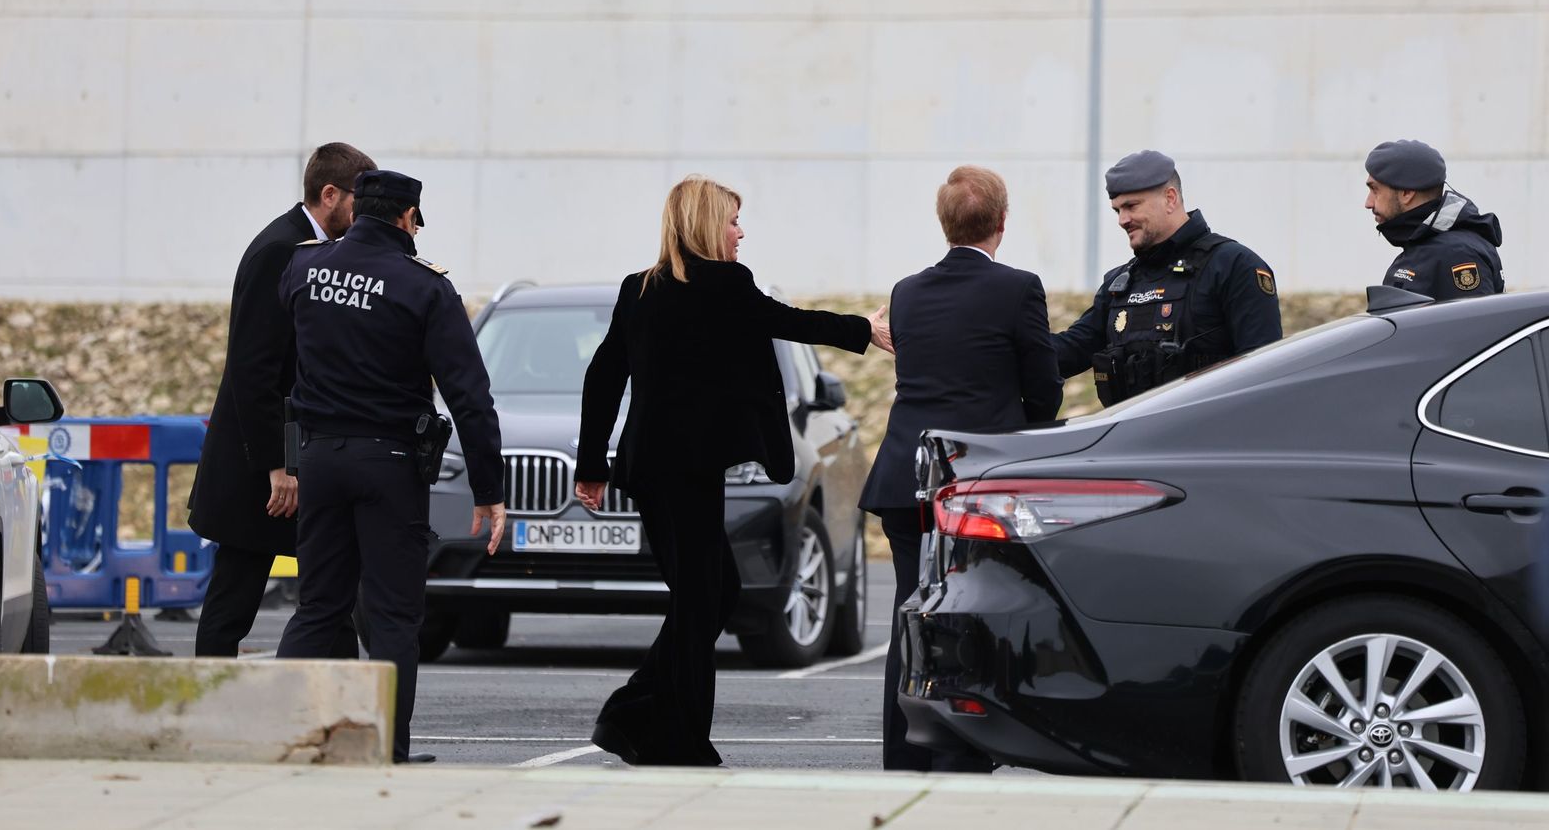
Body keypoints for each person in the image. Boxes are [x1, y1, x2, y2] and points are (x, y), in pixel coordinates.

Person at [572, 175, 892, 767]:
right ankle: (675, 738)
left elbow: (604, 375)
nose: (740, 233)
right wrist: (862, 330)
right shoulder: (724, 285)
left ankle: (635, 713)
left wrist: (594, 463)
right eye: (732, 221)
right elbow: (786, 320)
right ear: (703, 223)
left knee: (713, 594)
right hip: (684, 474)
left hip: (653, 470)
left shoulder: (639, 289)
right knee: (702, 599)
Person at [274, 169, 507, 765]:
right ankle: (386, 750)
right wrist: (489, 488)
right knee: (393, 614)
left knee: (317, 606)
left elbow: (280, 368)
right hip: (390, 465)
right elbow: (469, 396)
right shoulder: (424, 287)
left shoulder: (305, 267)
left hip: (319, 459)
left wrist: (284, 459)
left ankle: (277, 736)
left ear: (356, 211)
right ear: (408, 218)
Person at [861, 165, 1062, 772]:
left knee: (910, 613)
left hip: (904, 475)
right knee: (974, 613)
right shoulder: (1019, 288)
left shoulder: (906, 292)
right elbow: (1044, 392)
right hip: (976, 481)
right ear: (1002, 222)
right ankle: (962, 755)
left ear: (944, 223)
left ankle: (904, 755)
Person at [188, 142, 375, 658]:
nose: (362, 215)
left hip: (295, 460)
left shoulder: (312, 248)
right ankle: (207, 722)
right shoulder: (282, 249)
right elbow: (254, 370)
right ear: (329, 193)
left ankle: (341, 721)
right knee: (233, 605)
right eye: (357, 202)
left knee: (328, 595)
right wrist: (279, 465)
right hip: (263, 470)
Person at [1054, 150, 1281, 406]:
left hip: (1208, 440)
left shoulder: (1233, 266)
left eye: (1131, 206)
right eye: (1117, 210)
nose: (1122, 220)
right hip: (1129, 441)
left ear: (1170, 199)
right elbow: (1070, 351)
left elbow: (1266, 373)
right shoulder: (1120, 284)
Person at [1364, 139, 1504, 301]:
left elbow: (1473, 324)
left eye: (1375, 190)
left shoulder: (1458, 254)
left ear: (1407, 193)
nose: (1368, 203)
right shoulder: (1426, 245)